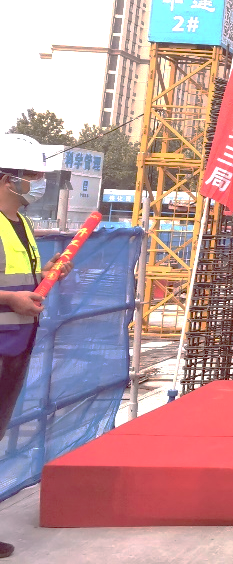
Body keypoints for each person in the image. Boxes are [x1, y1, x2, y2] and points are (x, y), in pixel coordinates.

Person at [0, 134, 63, 560]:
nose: (38, 183)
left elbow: (22, 281)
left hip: (16, 344)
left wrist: (49, 275)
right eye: (33, 175)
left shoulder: (19, 224)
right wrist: (10, 300)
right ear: (8, 178)